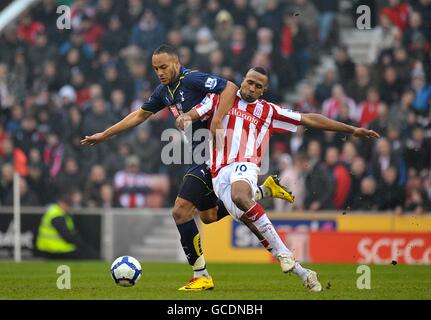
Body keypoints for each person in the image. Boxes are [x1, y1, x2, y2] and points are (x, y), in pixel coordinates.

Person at [80, 45, 294, 291]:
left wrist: (215, 120)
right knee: (208, 215)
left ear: (176, 62)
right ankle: (261, 192)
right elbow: (139, 115)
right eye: (155, 68)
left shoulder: (192, 78)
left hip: (213, 155)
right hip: (199, 157)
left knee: (180, 211)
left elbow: (231, 87)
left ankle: (201, 275)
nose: (159, 72)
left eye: (163, 67)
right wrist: (106, 134)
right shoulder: (164, 91)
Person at [176, 67, 380, 291]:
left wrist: (351, 130)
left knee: (240, 196)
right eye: (249, 82)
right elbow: (197, 111)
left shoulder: (267, 111)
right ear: (242, 80)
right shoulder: (221, 98)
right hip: (218, 173)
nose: (251, 89)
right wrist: (186, 116)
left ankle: (283, 253)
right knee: (245, 222)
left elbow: (308, 119)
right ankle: (302, 270)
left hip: (245, 165)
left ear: (264, 91)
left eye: (258, 86)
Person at [35, 192, 99, 260]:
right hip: (55, 249)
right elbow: (67, 236)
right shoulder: (57, 215)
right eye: (68, 205)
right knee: (88, 254)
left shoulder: (55, 212)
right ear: (62, 204)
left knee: (87, 251)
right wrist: (80, 243)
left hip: (50, 248)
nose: (69, 208)